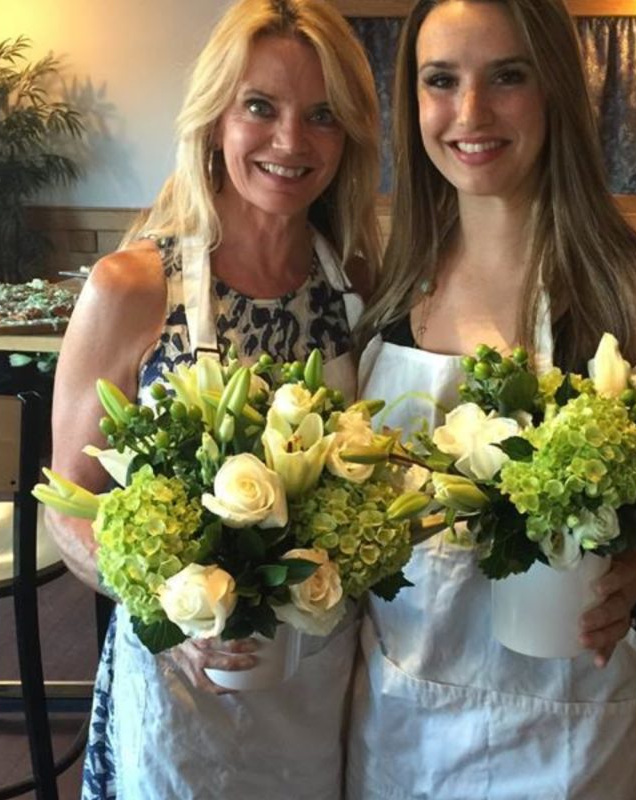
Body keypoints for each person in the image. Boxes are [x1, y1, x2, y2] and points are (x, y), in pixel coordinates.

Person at [347, 0, 636, 797]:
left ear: (554, 89)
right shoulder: (386, 292)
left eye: (507, 76)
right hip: (403, 713)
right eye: (441, 80)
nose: (470, 113)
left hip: (573, 724)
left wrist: (631, 581)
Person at [46, 1, 380, 796]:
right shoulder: (133, 287)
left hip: (322, 684)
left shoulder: (360, 287)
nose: (290, 142)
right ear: (214, 119)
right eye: (260, 106)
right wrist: (168, 605)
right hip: (178, 685)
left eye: (322, 115)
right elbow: (67, 504)